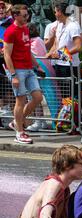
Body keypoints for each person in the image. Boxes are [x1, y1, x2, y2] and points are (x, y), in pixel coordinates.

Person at [3, 4, 44, 144]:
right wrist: (13, 75)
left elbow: (27, 50)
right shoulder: (10, 32)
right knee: (20, 101)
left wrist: (37, 65)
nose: (27, 17)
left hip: (28, 69)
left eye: (28, 15)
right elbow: (7, 55)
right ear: (16, 16)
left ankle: (16, 122)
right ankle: (20, 133)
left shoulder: (25, 29)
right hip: (17, 70)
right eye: (24, 15)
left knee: (38, 97)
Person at [46, 2, 82, 99]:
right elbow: (57, 44)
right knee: (64, 96)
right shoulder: (60, 25)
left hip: (71, 67)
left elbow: (78, 47)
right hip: (60, 65)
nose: (54, 14)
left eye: (55, 12)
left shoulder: (73, 25)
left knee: (73, 96)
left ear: (60, 12)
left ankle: (76, 114)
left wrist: (60, 54)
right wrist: (50, 53)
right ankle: (67, 114)